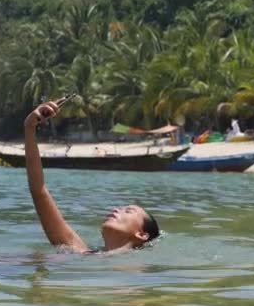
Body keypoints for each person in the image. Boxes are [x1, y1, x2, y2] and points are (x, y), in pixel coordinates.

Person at [24, 100, 160, 254]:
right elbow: (39, 192)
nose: (116, 209)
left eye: (128, 211)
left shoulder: (136, 271)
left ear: (141, 235)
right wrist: (29, 128)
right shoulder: (79, 251)